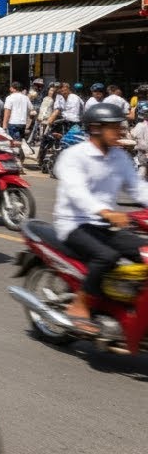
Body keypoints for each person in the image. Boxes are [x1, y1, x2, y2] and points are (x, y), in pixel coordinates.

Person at [52, 103, 148, 335]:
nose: (121, 131)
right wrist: (105, 211)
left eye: (120, 126)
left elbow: (138, 188)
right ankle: (80, 304)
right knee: (107, 256)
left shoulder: (120, 157)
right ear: (95, 128)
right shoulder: (74, 156)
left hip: (105, 225)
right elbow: (77, 192)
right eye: (114, 127)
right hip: (73, 223)